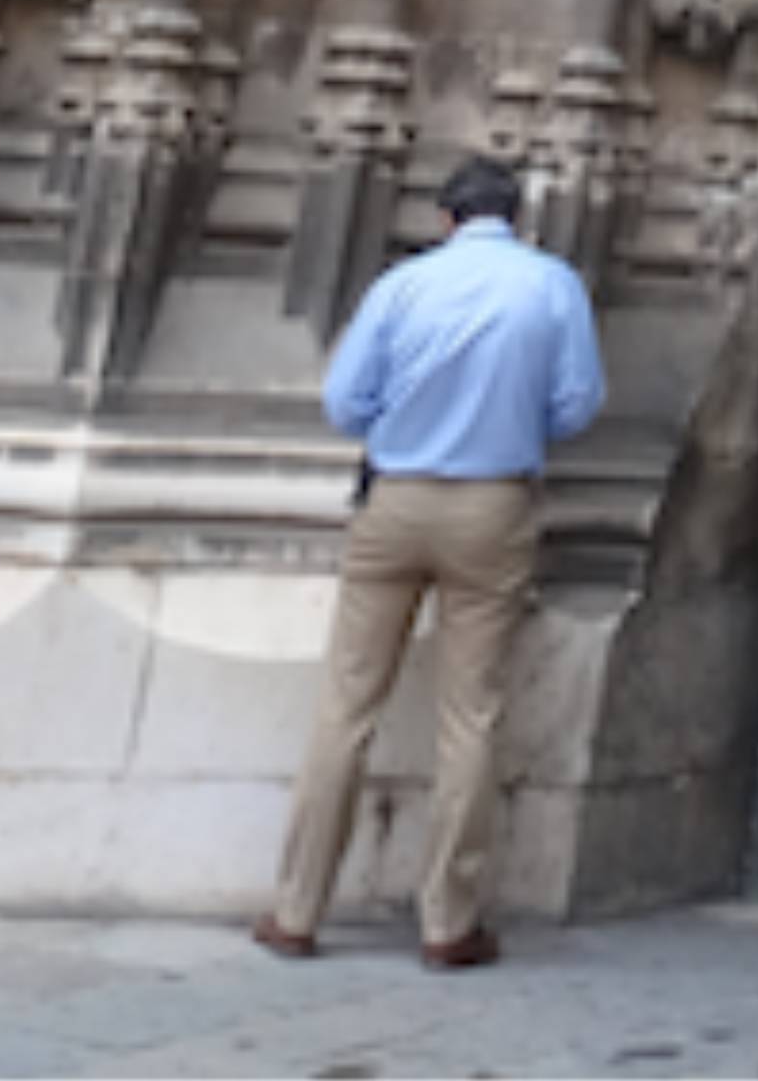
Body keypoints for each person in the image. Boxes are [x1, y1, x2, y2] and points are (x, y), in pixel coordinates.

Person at [251, 155, 605, 970]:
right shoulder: (552, 285)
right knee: (469, 717)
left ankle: (297, 909)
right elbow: (577, 403)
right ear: (516, 218)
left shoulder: (402, 286)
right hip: (493, 503)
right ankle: (448, 923)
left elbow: (345, 402)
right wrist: (509, 419)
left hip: (397, 497)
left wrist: (406, 417)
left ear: (447, 218)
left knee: (347, 706)